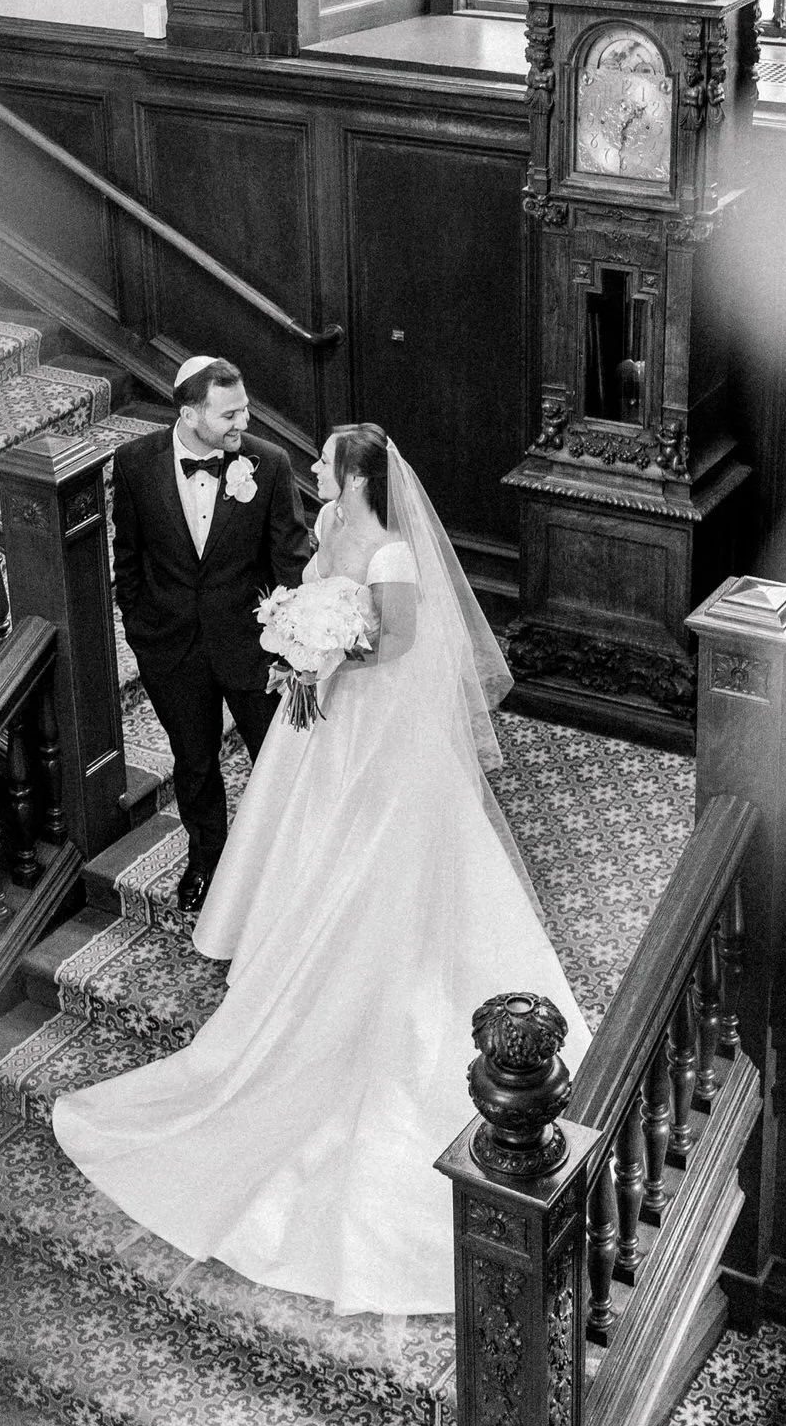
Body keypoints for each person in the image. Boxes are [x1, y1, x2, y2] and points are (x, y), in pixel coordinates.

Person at [55, 423, 591, 1316]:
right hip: (325, 723)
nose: (309, 467)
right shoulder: (334, 531)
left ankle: (386, 960)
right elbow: (312, 602)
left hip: (376, 726)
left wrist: (328, 650)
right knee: (310, 843)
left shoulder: (385, 551)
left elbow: (403, 644)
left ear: (355, 474)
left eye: (324, 460)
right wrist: (300, 644)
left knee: (379, 855)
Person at [110, 354, 313, 912]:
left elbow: (290, 561)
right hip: (171, 647)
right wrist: (141, 630)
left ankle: (285, 866)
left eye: (244, 410)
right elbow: (127, 556)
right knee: (193, 763)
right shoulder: (133, 464)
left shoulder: (268, 464)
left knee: (275, 759)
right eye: (229, 415)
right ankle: (207, 863)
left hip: (252, 648)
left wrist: (294, 642)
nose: (242, 424)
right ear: (190, 412)